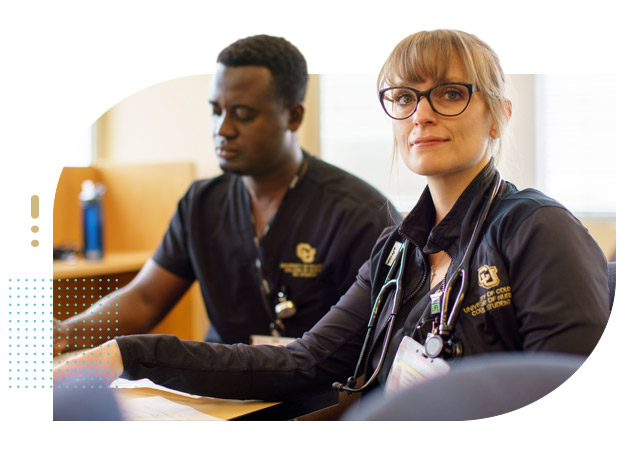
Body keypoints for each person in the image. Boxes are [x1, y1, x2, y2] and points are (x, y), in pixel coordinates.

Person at [54, 29, 609, 407]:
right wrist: (129, 353)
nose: (422, 114)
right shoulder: (396, 254)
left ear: (499, 115)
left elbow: (568, 401)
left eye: (450, 94)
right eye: (405, 96)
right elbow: (303, 363)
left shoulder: (536, 229)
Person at [53, 34, 401, 350]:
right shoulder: (202, 203)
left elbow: (368, 347)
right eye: (216, 111)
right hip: (221, 386)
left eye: (243, 114)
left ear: (293, 117)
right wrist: (68, 332)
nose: (223, 129)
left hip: (312, 398)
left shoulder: (359, 214)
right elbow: (144, 298)